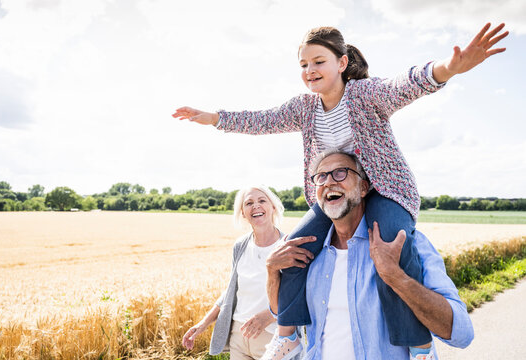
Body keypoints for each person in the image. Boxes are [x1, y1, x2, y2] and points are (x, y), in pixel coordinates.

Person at [173, 23, 506, 358]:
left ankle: (417, 345)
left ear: (342, 63)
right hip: (334, 195)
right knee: (291, 250)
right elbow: (263, 119)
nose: (310, 70)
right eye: (304, 65)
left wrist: (449, 68)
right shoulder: (304, 109)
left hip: (386, 192)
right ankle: (288, 335)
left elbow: (405, 85)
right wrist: (214, 118)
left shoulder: (364, 95)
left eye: (318, 61)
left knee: (391, 249)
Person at [265, 149, 474, 359]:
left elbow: (461, 334)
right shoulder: (306, 253)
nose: (329, 182)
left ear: (364, 187)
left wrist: (397, 277)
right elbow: (280, 311)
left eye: (340, 172)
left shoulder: (403, 243)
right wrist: (272, 271)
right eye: (321, 176)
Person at [182, 186, 293, 359]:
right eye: (249, 203)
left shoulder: (288, 246)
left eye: (262, 200)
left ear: (273, 207)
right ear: (243, 212)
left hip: (274, 336)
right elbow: (231, 291)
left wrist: (270, 315)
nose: (256, 206)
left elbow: (299, 295)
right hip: (239, 336)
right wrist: (203, 324)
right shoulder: (240, 245)